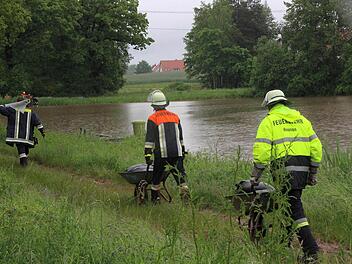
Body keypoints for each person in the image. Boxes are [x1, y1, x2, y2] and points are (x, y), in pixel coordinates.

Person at [251, 90, 322, 262]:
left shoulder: (268, 122)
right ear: (284, 102)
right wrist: (312, 172)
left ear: (268, 105)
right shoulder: (302, 120)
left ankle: (311, 251)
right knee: (288, 206)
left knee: (295, 209)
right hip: (303, 170)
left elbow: (262, 151)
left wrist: (255, 176)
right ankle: (284, 243)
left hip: (283, 171)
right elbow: (316, 147)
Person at [144, 90, 189, 203]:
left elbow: (149, 140)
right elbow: (181, 137)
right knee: (180, 177)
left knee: (156, 177)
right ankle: (186, 201)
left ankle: (156, 200)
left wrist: (148, 156)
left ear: (154, 105)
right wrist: (183, 151)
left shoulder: (152, 118)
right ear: (165, 104)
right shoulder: (175, 116)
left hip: (162, 154)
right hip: (177, 152)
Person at [0, 92, 45, 166]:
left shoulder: (12, 110)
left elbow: (1, 108)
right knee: (23, 150)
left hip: (17, 137)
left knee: (22, 150)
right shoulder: (31, 113)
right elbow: (38, 124)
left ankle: (24, 164)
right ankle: (24, 164)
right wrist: (42, 132)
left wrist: (8, 105)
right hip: (27, 137)